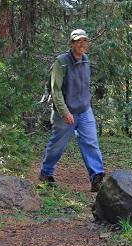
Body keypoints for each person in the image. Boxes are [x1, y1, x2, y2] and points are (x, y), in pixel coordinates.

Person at [39, 29, 106, 192]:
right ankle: (46, 173)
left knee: (91, 143)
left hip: (84, 110)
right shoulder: (61, 62)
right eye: (78, 41)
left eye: (84, 41)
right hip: (66, 113)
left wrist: (86, 104)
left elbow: (84, 85)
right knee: (57, 145)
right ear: (72, 43)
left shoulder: (86, 60)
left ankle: (96, 177)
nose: (82, 44)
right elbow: (56, 90)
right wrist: (65, 112)